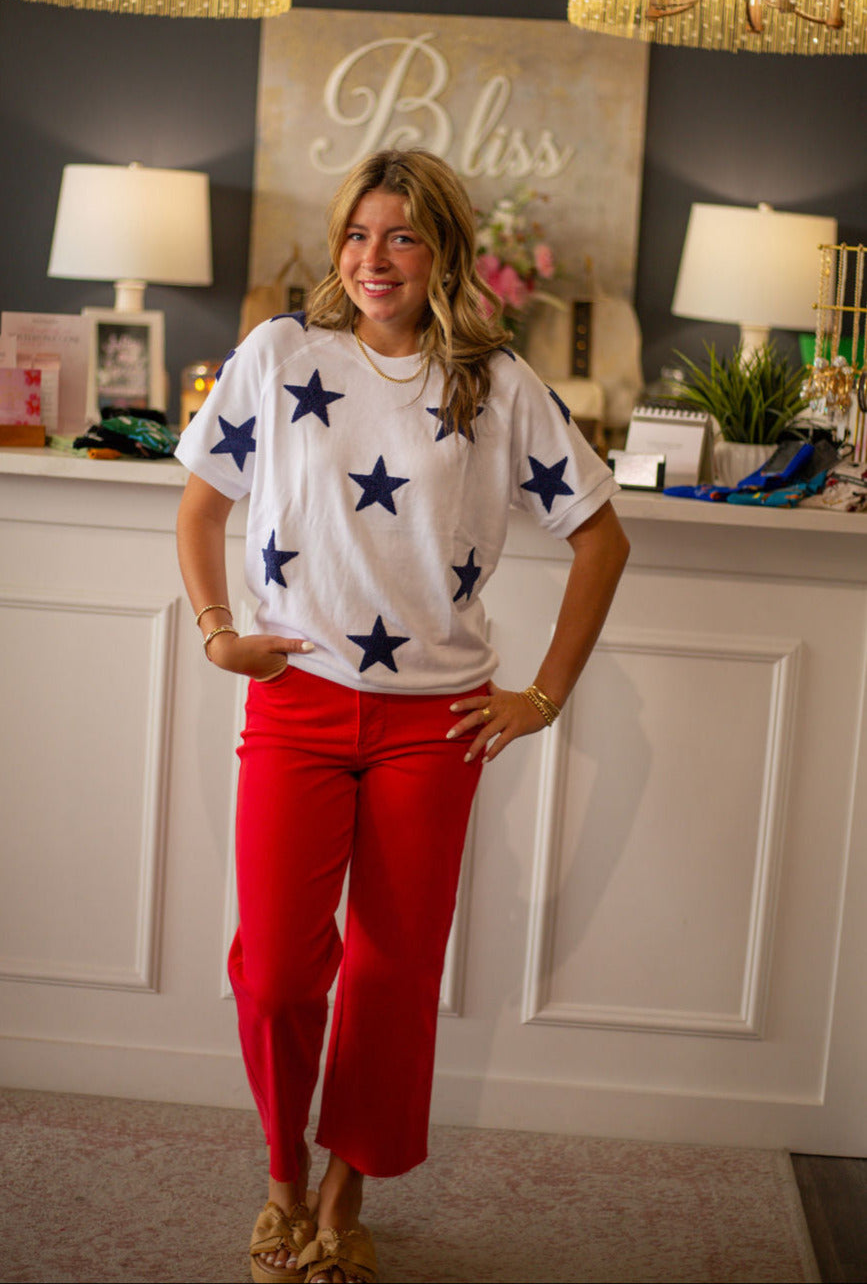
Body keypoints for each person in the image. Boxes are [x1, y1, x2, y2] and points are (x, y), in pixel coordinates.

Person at [175, 148, 629, 1284]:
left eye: (402, 237)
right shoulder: (280, 354)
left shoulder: (497, 383)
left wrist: (542, 695)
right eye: (357, 234)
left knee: (390, 976)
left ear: (444, 254)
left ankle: (343, 1194)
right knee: (277, 973)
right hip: (297, 705)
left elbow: (601, 538)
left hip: (436, 724)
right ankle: (282, 1175)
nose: (373, 259)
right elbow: (199, 507)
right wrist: (218, 631)